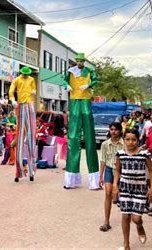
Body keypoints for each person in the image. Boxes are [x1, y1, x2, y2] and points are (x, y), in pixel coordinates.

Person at [113, 130, 152, 250]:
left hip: (140, 189)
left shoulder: (144, 154)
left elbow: (151, 170)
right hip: (125, 188)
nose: (130, 142)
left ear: (138, 140)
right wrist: (115, 186)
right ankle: (126, 244)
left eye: (134, 139)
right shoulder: (120, 154)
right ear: (124, 140)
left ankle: (139, 226)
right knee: (125, 216)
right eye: (128, 139)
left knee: (136, 218)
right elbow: (117, 171)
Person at [63, 53, 100, 189]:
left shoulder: (89, 71)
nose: (79, 63)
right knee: (73, 137)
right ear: (76, 61)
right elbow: (64, 80)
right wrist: (67, 86)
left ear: (84, 61)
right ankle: (70, 179)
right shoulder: (70, 71)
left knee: (90, 137)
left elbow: (96, 80)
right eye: (78, 61)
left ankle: (94, 181)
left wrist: (89, 85)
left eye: (81, 61)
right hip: (74, 100)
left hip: (85, 100)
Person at [9, 66, 37, 182]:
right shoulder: (16, 80)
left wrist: (34, 92)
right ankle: (18, 172)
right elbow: (11, 92)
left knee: (31, 137)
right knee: (19, 137)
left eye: (27, 74)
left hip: (30, 105)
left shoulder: (31, 79)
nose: (25, 76)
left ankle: (31, 171)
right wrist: (12, 100)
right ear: (21, 73)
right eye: (24, 74)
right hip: (20, 105)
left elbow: (33, 89)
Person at [98, 122, 124, 232]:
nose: (113, 132)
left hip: (122, 171)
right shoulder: (105, 144)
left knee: (122, 194)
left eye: (116, 129)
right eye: (111, 129)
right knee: (108, 193)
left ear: (120, 131)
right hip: (109, 169)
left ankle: (127, 220)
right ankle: (106, 222)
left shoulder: (124, 144)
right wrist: (101, 176)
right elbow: (103, 160)